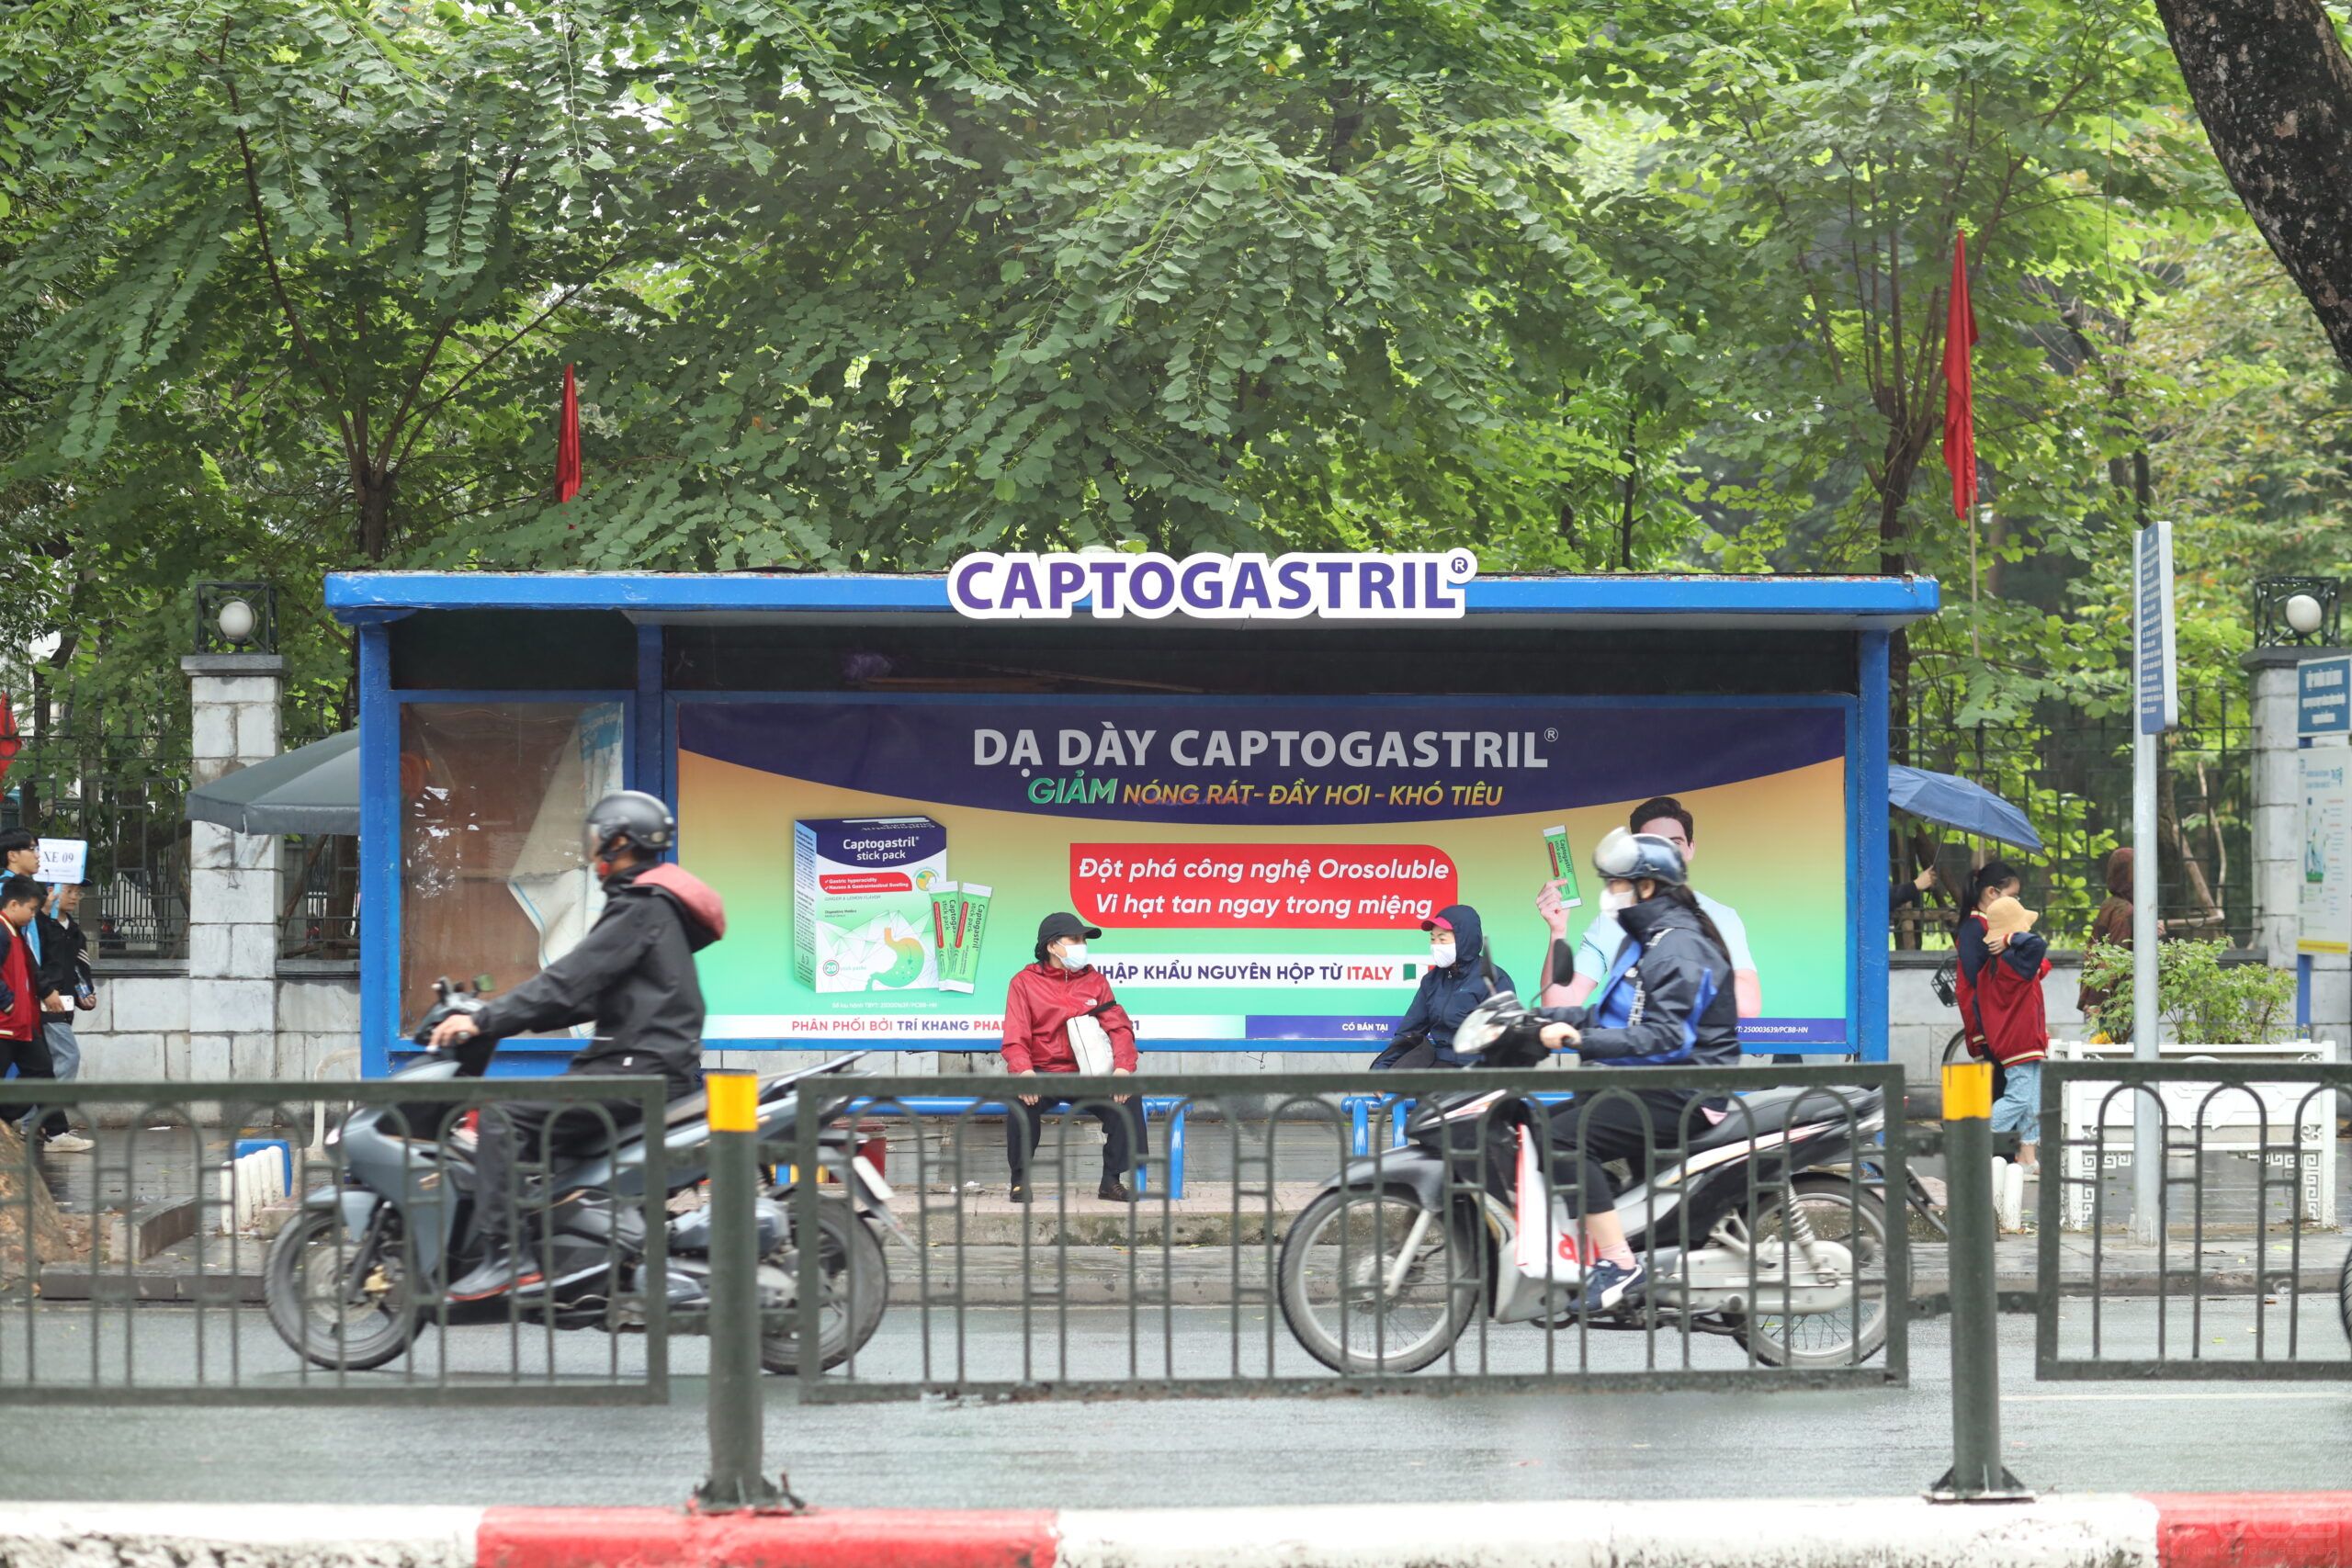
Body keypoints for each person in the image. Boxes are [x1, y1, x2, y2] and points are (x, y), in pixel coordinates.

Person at [426, 790, 725, 1301]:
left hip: (634, 1072)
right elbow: (585, 996)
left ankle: (508, 1258)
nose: (592, 853)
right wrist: (497, 1019)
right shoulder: (651, 909)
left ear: (618, 842)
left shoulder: (640, 909)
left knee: (500, 1119)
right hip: (642, 1066)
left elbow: (565, 982)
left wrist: (482, 1020)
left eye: (595, 840)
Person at [1525, 829, 1741, 1315]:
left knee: (1562, 1138)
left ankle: (1620, 1264)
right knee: (1541, 1123)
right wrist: (1539, 1020)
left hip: (1685, 1089)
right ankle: (1610, 1228)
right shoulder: (1649, 941)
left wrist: (1578, 1040)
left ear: (1646, 887)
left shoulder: (1678, 946)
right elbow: (1611, 1017)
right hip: (1655, 1081)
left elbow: (1666, 1036)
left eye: (1616, 884)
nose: (1610, 894)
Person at [1544, 796, 1758, 1018]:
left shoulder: (1721, 917)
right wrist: (1558, 931)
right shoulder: (1610, 921)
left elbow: (1746, 1006)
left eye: (1674, 843)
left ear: (1690, 849)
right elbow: (1557, 1006)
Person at [999, 912, 1146, 1204]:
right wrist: (1024, 1073)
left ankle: (1111, 1180)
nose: (1082, 945)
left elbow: (1119, 1028)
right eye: (1075, 939)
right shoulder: (1024, 983)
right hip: (1043, 1073)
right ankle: (1019, 1181)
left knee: (1129, 1098)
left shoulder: (1095, 982)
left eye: (1083, 940)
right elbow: (1015, 1036)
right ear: (1052, 946)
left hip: (1087, 1074)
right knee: (1020, 1101)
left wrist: (1123, 1069)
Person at [1960, 894, 2050, 1173]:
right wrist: (2011, 938)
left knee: (2032, 1101)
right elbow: (2037, 944)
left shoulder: (1992, 968)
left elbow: (1979, 1007)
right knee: (2018, 1099)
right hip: (2020, 1043)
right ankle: (1972, 1140)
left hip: (2021, 1042)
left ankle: (2027, 1160)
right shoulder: (2013, 961)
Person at [1372, 904, 1514, 1070]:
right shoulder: (1431, 980)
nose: (1436, 945)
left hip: (1481, 1069)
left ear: (1463, 940)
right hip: (1442, 1066)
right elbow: (1409, 1032)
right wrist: (1381, 1069)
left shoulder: (1494, 979)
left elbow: (1506, 1038)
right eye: (1433, 939)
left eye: (1442, 939)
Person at [26, 880, 94, 1152]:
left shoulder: (75, 931)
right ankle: (41, 1121)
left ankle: (34, 1122)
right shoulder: (37, 926)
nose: (74, 897)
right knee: (68, 1055)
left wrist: (86, 994)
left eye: (78, 892)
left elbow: (80, 969)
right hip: (44, 1003)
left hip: (65, 1006)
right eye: (69, 890)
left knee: (45, 1065)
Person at [1954, 860, 2023, 1102]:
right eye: (2012, 897)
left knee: (2001, 1088)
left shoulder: (1985, 924)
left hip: (1993, 1017)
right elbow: (1980, 978)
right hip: (1985, 1018)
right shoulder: (1976, 927)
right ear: (1992, 892)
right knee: (1999, 1091)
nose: (2016, 903)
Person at [0, 876, 55, 1146]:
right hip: (5, 1024)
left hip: (20, 1024)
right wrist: (7, 1002)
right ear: (13, 904)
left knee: (41, 1071)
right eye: (31, 909)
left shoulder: (14, 932)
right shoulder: (2, 931)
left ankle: (5, 1116)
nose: (33, 915)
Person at [2077, 847, 2137, 1030]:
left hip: (2111, 998)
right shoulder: (2124, 911)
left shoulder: (2111, 904)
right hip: (2117, 1001)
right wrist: (2096, 1001)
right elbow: (2114, 957)